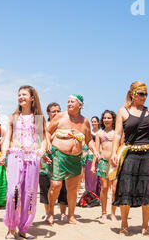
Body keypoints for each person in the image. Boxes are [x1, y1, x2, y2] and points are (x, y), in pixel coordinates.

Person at [110, 81, 149, 236]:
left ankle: (145, 226)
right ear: (133, 94)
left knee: (148, 190)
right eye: (141, 94)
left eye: (146, 94)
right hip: (130, 154)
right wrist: (114, 153)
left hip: (148, 154)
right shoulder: (123, 111)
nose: (144, 97)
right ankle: (124, 223)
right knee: (126, 189)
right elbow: (117, 134)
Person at [0, 85, 49, 239]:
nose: (21, 97)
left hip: (33, 159)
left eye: (24, 94)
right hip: (15, 156)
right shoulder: (13, 117)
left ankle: (23, 228)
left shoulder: (38, 118)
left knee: (30, 194)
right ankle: (11, 228)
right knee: (13, 193)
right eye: (19, 94)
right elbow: (7, 138)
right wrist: (3, 154)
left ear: (32, 98)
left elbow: (45, 139)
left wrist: (41, 151)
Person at [46, 94, 98, 225]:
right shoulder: (60, 117)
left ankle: (71, 216)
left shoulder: (84, 121)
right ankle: (50, 213)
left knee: (73, 188)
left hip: (75, 158)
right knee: (56, 185)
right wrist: (47, 144)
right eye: (68, 101)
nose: (69, 104)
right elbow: (47, 131)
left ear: (80, 105)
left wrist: (95, 150)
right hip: (58, 155)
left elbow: (88, 139)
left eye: (72, 102)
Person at [39, 102, 67, 222]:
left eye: (58, 111)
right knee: (45, 187)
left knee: (62, 188)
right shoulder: (43, 126)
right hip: (45, 160)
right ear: (48, 113)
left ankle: (63, 213)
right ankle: (48, 213)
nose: (56, 113)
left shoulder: (64, 125)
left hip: (61, 161)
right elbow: (40, 142)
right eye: (53, 111)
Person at [91, 110, 117, 222]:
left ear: (113, 119)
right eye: (105, 118)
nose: (106, 120)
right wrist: (93, 164)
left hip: (115, 163)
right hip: (103, 162)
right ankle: (104, 213)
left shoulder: (117, 133)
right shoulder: (99, 134)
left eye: (109, 118)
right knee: (104, 188)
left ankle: (113, 213)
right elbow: (96, 150)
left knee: (115, 189)